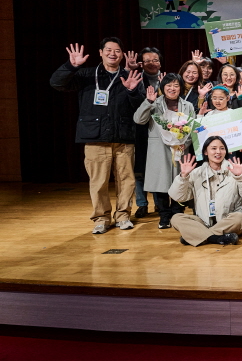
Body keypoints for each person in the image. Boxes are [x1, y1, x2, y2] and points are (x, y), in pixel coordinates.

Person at [50, 39, 144, 234]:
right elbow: (56, 83)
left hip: (124, 137)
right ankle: (101, 218)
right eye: (108, 50)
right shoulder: (85, 74)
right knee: (98, 181)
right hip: (95, 137)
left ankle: (123, 215)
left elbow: (141, 107)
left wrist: (132, 91)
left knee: (126, 180)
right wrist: (71, 66)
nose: (113, 54)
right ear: (100, 52)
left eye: (117, 51)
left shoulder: (129, 76)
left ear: (122, 54)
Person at [133, 73, 196, 229]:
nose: (172, 88)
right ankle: (164, 216)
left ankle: (177, 214)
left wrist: (184, 142)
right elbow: (138, 119)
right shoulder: (155, 104)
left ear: (181, 88)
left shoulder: (187, 105)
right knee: (161, 184)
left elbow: (194, 129)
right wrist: (148, 101)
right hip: (159, 149)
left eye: (176, 85)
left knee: (180, 182)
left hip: (180, 149)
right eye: (168, 85)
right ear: (163, 87)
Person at [169, 136, 242, 246]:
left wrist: (240, 177)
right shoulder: (197, 172)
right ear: (205, 151)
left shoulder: (236, 169)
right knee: (176, 218)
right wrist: (183, 176)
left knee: (240, 217)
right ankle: (216, 238)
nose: (218, 152)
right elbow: (178, 197)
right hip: (203, 222)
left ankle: (198, 236)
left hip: (228, 221)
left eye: (222, 148)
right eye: (214, 148)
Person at [132, 47, 164, 221]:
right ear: (141, 64)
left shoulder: (166, 79)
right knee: (139, 170)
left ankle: (160, 203)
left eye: (156, 60)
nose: (152, 63)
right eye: (148, 61)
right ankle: (142, 204)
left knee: (158, 168)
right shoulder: (136, 79)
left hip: (160, 131)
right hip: (139, 129)